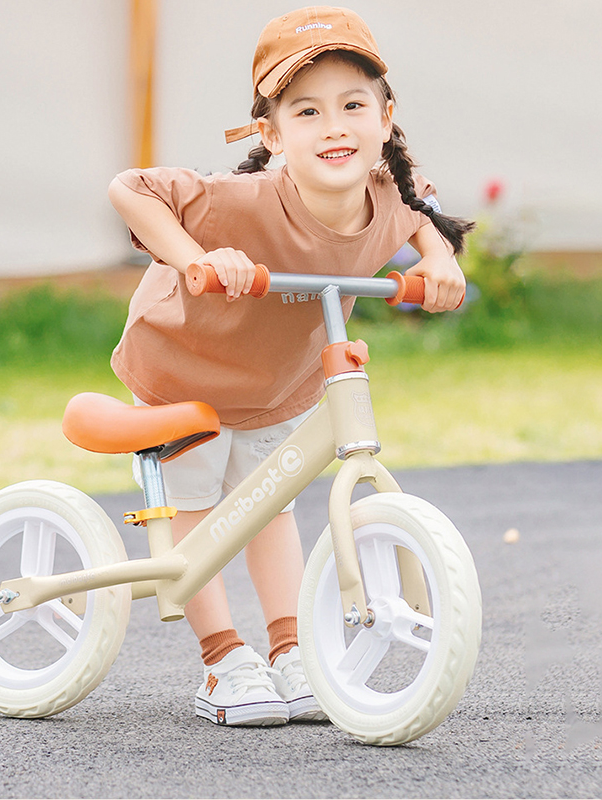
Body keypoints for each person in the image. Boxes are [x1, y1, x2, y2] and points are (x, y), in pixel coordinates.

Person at [107, 6, 473, 727]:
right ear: (273, 135)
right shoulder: (240, 198)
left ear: (385, 117)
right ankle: (224, 660)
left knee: (271, 503)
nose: (334, 125)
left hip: (278, 382)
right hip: (184, 365)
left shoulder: (387, 193)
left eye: (352, 105)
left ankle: (291, 648)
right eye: (307, 111)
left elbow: (419, 212)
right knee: (198, 503)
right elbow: (132, 188)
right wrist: (198, 259)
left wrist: (436, 260)